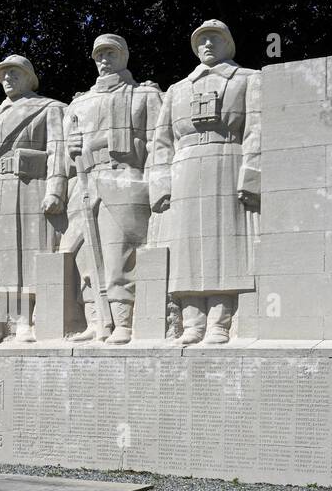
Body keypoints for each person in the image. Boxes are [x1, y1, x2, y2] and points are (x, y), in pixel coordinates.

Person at [150, 20, 261, 344]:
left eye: (215, 38)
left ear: (229, 44)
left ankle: (219, 322)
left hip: (226, 161)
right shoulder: (177, 89)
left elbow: (257, 129)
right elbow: (161, 143)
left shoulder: (249, 79)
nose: (207, 44)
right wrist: (161, 184)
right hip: (184, 169)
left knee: (224, 246)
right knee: (184, 249)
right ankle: (191, 322)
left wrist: (251, 175)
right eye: (201, 40)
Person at [0, 55, 68, 344]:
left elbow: (59, 151)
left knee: (25, 258)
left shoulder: (49, 108)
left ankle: (24, 322)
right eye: (3, 74)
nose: (7, 78)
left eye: (14, 73)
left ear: (29, 78)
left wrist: (55, 189)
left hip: (29, 186)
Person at [63, 33, 163, 343]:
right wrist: (71, 147)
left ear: (124, 56)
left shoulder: (144, 95)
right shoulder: (79, 102)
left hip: (123, 176)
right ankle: (95, 320)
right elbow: (65, 156)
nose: (104, 60)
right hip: (84, 179)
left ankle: (122, 321)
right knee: (83, 256)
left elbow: (159, 144)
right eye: (99, 55)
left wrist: (158, 186)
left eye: (111, 53)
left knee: (119, 253)